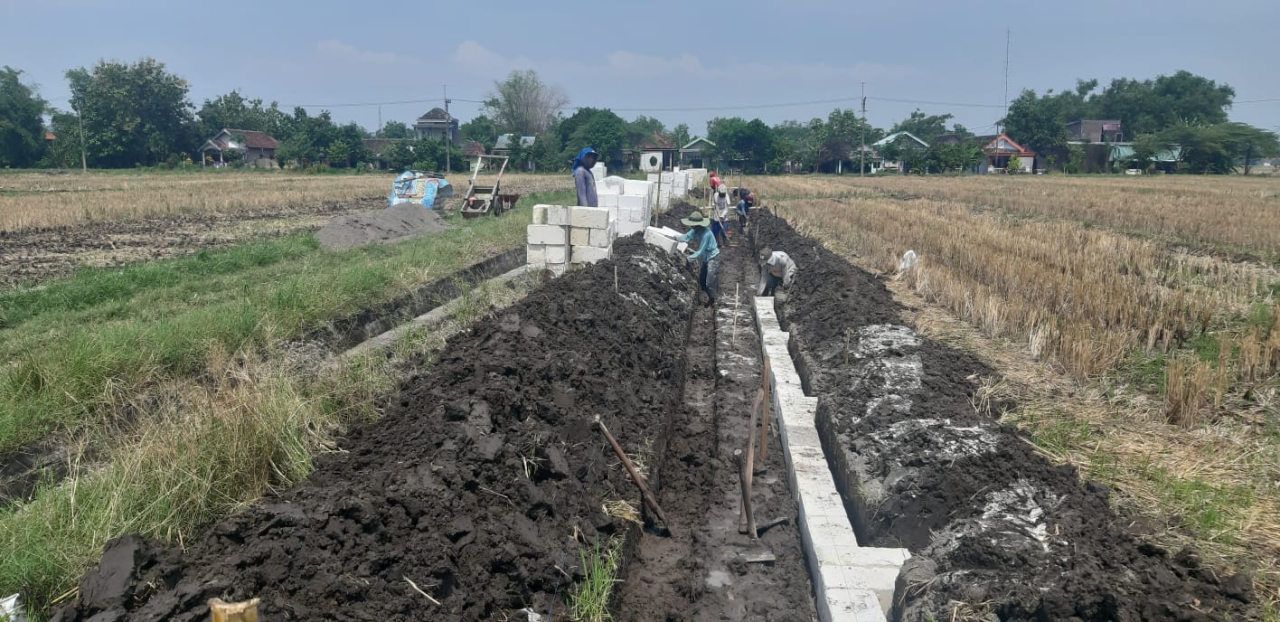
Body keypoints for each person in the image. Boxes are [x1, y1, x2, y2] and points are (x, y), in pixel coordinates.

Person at [679, 210, 721, 307]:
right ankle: (710, 298)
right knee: (702, 281)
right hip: (706, 258)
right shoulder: (695, 230)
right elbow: (686, 237)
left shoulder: (707, 234)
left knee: (709, 281)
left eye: (693, 225)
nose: (691, 227)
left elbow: (701, 251)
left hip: (713, 258)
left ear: (698, 225)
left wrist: (689, 258)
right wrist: (675, 238)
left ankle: (713, 300)